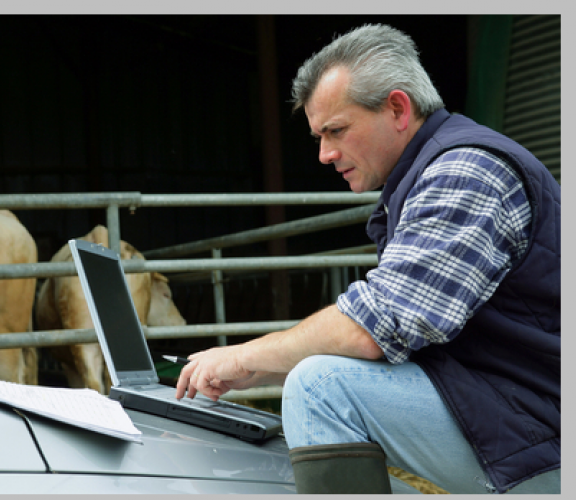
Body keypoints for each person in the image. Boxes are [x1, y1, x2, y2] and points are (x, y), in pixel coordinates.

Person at [174, 24, 560, 494]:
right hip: (505, 405)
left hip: (542, 429)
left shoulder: (465, 170)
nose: (324, 154)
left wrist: (243, 356)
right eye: (318, 136)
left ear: (398, 108)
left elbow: (373, 329)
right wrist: (256, 370)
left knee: (320, 388)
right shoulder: (426, 173)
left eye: (336, 130)